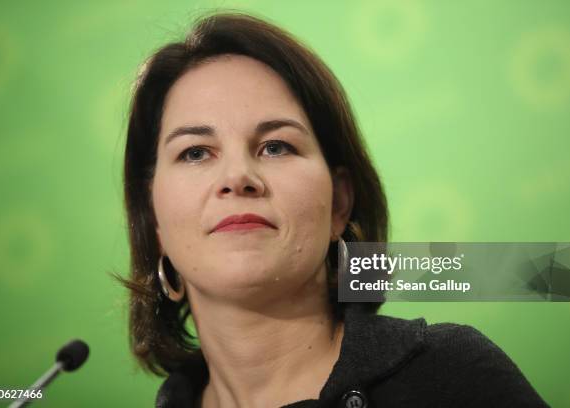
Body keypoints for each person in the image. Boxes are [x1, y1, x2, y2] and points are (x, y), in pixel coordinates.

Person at [121, 12, 548, 408]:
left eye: (276, 146)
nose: (238, 176)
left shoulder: (454, 376)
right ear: (153, 217)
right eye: (195, 153)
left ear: (339, 204)